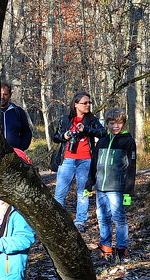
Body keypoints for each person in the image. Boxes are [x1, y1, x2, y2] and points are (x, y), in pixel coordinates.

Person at [87, 109, 137, 263]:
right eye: (112, 123)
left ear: (123, 123)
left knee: (119, 218)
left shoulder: (128, 141)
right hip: (101, 187)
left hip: (117, 188)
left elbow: (131, 167)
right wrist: (89, 183)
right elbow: (94, 163)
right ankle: (106, 245)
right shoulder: (102, 141)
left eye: (119, 123)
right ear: (107, 123)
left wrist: (128, 190)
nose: (116, 126)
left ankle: (122, 247)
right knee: (102, 217)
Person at [52, 92, 105, 232]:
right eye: (85, 103)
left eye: (89, 103)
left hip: (86, 159)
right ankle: (58, 221)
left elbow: (103, 133)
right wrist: (65, 135)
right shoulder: (65, 119)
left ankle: (80, 222)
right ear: (76, 104)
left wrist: (86, 129)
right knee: (60, 193)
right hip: (67, 159)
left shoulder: (92, 119)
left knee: (83, 192)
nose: (88, 105)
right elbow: (56, 137)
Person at [0, 83, 34, 208]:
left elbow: (26, 132)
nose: (3, 97)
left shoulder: (17, 112)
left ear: (10, 95)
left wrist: (20, 148)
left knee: (13, 188)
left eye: (5, 94)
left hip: (14, 157)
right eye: (0, 94)